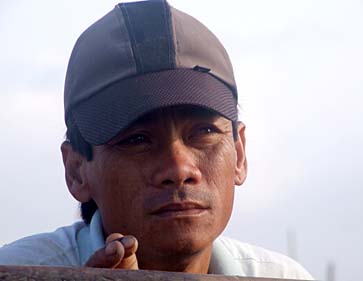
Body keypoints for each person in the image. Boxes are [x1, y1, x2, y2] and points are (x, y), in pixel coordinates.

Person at [0, 1, 313, 279]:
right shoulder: (16, 270)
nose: (178, 169)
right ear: (77, 170)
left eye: (204, 133)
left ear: (240, 153)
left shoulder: (285, 277)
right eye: (137, 139)